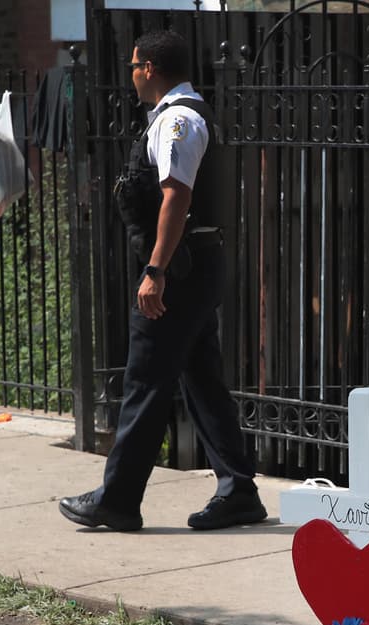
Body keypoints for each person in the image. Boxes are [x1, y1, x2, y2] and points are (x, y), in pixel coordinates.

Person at [59, 29, 267, 533]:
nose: (130, 75)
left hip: (181, 269)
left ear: (149, 68)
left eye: (133, 66)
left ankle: (118, 499)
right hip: (194, 264)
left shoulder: (179, 121)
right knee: (202, 380)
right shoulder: (176, 117)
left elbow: (176, 198)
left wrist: (154, 271)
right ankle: (238, 489)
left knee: (146, 379)